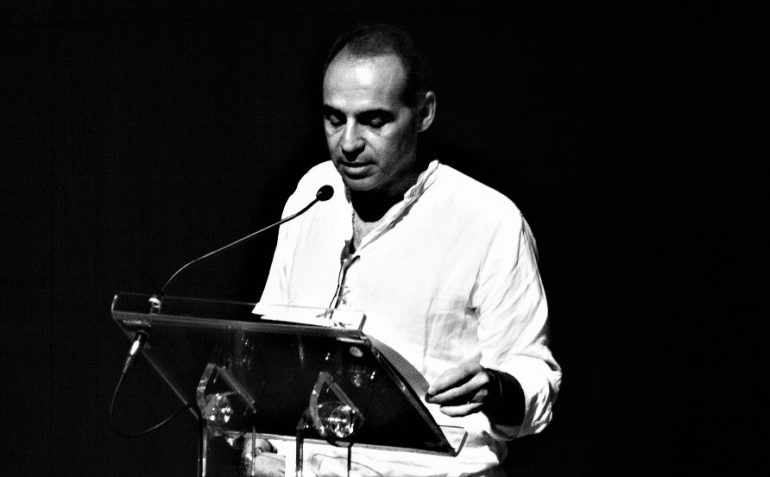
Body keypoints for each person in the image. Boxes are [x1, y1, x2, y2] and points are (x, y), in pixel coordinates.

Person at [253, 23, 561, 476]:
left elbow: (535, 376)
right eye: (334, 119)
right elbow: (267, 344)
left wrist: (497, 389)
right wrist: (258, 441)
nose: (348, 143)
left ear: (424, 113)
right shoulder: (313, 193)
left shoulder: (487, 220)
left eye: (374, 121)